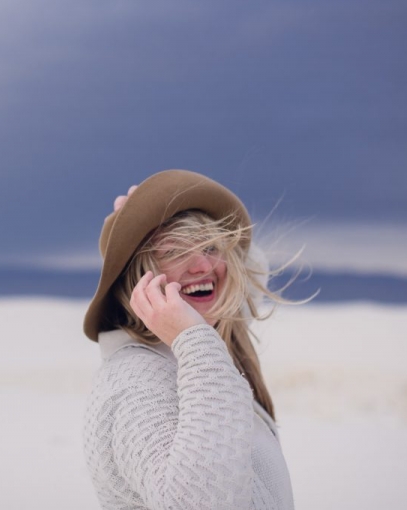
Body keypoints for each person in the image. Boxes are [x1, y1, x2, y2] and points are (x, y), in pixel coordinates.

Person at [82, 169, 296, 510]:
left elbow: (242, 269)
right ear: (139, 276)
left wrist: (148, 208)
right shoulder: (136, 384)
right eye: (175, 251)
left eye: (210, 247)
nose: (202, 265)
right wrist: (193, 341)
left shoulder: (206, 339)